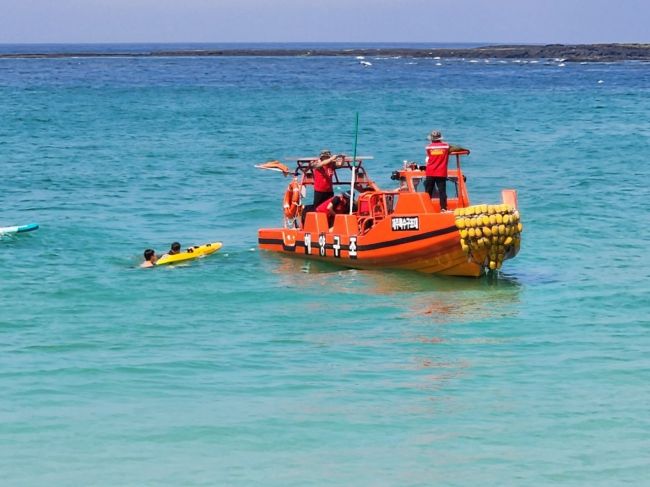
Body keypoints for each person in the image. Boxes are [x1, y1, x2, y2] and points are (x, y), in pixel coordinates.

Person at [424, 130, 466, 212]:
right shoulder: (446, 146)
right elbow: (456, 148)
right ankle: (443, 208)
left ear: (432, 139)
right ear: (440, 138)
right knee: (442, 191)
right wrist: (465, 149)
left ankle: (426, 208)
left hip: (430, 171)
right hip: (441, 172)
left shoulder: (428, 147)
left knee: (427, 192)